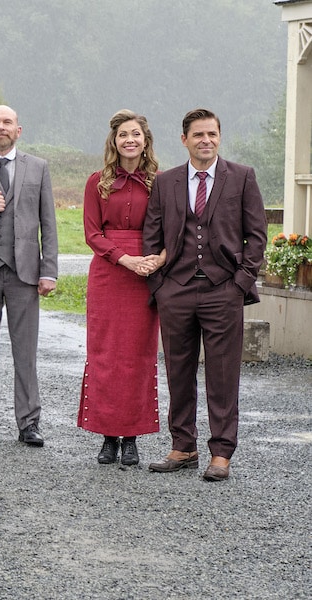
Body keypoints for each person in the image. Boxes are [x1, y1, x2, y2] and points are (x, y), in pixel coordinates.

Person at [143, 108, 267, 482]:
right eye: (198, 135)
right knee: (178, 372)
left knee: (223, 374)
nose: (206, 141)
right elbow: (152, 234)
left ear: (219, 136)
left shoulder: (242, 177)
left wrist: (240, 284)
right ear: (184, 140)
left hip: (223, 291)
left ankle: (221, 453)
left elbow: (257, 235)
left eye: (212, 134)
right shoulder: (166, 182)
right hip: (176, 290)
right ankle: (183, 446)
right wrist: (160, 287)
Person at [78, 109, 163, 465]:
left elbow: (172, 229)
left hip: (146, 275)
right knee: (106, 354)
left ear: (146, 141)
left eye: (136, 134)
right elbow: (92, 233)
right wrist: (125, 259)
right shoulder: (97, 181)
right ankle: (107, 436)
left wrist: (156, 259)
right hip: (109, 275)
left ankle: (132, 438)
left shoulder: (160, 182)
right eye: (123, 134)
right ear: (114, 141)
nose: (130, 140)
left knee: (138, 355)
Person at [0, 105, 58, 446]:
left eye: (7, 122)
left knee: (26, 352)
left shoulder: (38, 168)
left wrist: (49, 270)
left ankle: (28, 422)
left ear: (18, 130)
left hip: (24, 273)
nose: (1, 127)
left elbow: (49, 224)